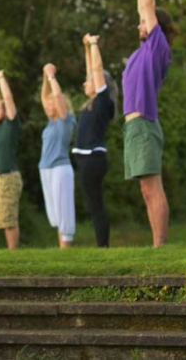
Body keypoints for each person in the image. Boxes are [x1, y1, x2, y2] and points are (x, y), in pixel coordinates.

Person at [121, 0, 175, 247]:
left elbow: (146, 5)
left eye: (143, 21)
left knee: (153, 188)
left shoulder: (158, 47)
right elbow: (142, 8)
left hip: (144, 124)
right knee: (145, 188)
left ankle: (160, 245)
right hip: (134, 126)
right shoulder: (142, 50)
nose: (138, 23)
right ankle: (157, 243)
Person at [72, 33, 117, 248]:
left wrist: (94, 44)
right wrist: (87, 48)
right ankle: (103, 245)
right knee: (93, 205)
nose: (85, 81)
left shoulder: (102, 102)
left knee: (96, 205)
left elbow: (97, 71)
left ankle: (103, 247)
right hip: (86, 160)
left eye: (89, 81)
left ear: (101, 85)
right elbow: (92, 71)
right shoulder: (93, 102)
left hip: (93, 159)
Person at [38, 63, 76, 248]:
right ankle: (61, 249)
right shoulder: (51, 123)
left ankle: (65, 250)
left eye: (53, 102)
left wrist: (52, 77)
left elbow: (57, 97)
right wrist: (45, 76)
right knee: (55, 213)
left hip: (60, 168)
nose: (48, 104)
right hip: (46, 169)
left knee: (64, 211)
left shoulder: (65, 120)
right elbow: (44, 97)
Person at [0, 70, 22, 250]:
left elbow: (6, 101)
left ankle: (13, 252)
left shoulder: (10, 124)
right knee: (3, 217)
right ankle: (11, 251)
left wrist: (1, 78)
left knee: (9, 218)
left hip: (7, 177)